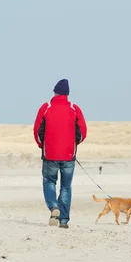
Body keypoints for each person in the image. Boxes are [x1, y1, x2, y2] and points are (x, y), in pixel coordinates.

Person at [33, 78, 87, 229]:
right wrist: (73, 144)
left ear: (55, 92)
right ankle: (63, 220)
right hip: (68, 155)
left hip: (50, 154)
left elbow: (37, 131)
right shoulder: (74, 108)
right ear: (67, 94)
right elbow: (82, 132)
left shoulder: (46, 107)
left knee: (49, 182)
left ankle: (53, 207)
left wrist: (41, 145)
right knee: (66, 187)